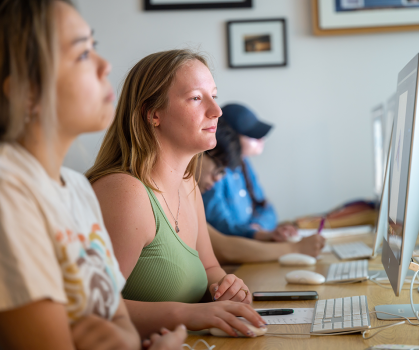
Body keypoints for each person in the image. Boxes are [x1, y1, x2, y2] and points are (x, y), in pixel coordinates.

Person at [0, 1, 186, 349]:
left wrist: (125, 342)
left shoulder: (76, 188)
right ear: (28, 92)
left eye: (94, 47)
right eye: (82, 54)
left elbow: (118, 322)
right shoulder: (9, 192)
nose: (105, 65)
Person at [86, 49, 267, 339]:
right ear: (153, 113)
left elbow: (209, 267)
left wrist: (227, 286)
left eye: (214, 96)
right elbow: (93, 308)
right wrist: (187, 314)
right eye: (196, 98)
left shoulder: (188, 184)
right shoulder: (124, 192)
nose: (216, 111)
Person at [199, 119, 325, 263]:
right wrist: (295, 248)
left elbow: (267, 209)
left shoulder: (244, 165)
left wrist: (261, 232)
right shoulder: (205, 185)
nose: (218, 178)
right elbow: (224, 246)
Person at [203, 103, 298, 242]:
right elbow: (220, 226)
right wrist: (255, 234)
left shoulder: (245, 164)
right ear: (231, 137)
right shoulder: (213, 174)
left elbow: (267, 209)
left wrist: (258, 227)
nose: (261, 140)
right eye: (252, 135)